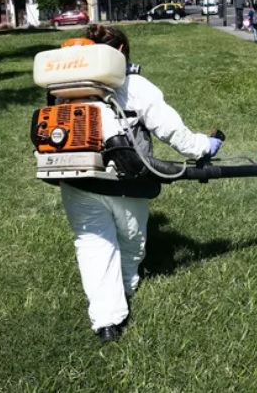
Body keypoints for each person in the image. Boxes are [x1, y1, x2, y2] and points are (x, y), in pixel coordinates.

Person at [58, 24, 224, 344]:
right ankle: (126, 288)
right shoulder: (134, 86)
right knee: (131, 241)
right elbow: (173, 133)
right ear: (120, 52)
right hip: (125, 180)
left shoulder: (63, 88)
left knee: (93, 245)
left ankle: (106, 321)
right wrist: (204, 147)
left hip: (76, 180)